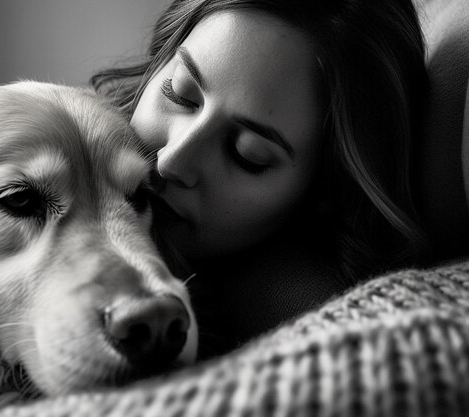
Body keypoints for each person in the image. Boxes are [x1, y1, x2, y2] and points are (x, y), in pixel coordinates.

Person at [91, 0, 429, 356]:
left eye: (246, 155)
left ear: (325, 193)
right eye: (180, 93)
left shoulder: (315, 316)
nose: (171, 161)